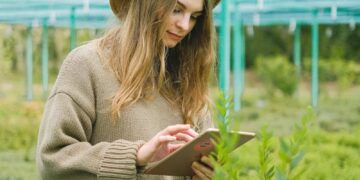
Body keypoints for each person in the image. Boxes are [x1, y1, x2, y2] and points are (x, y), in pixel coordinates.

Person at [36, 0, 220, 179]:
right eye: (176, 9)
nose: (185, 25)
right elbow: (53, 159)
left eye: (195, 16)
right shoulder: (87, 64)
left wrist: (204, 173)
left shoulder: (188, 77)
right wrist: (136, 156)